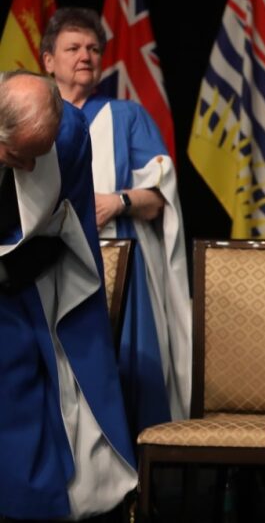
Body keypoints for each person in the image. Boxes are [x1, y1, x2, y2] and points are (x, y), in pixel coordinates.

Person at [41, 7, 191, 432]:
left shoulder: (127, 116)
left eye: (93, 48)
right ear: (48, 60)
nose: (85, 56)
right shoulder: (35, 117)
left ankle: (135, 466)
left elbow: (158, 198)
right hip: (45, 264)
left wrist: (119, 201)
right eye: (73, 48)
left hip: (122, 263)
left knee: (127, 374)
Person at [0, 70, 137, 518]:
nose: (27, 168)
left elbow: (73, 223)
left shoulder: (71, 135)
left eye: (37, 156)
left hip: (32, 273)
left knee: (43, 389)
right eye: (16, 155)